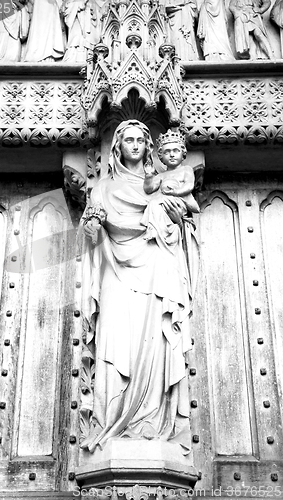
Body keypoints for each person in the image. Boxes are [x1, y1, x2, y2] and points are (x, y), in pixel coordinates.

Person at [80, 120, 199, 454]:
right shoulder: (103, 187)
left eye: (139, 140)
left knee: (156, 344)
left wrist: (176, 219)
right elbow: (92, 235)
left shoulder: (163, 184)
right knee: (116, 345)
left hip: (156, 268)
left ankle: (153, 426)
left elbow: (182, 227)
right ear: (117, 146)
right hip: (115, 270)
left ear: (149, 147)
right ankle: (111, 424)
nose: (134, 145)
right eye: (127, 140)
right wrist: (93, 226)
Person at [142, 129, 200, 243]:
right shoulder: (162, 176)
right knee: (154, 204)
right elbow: (149, 189)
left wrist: (175, 192)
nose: (172, 155)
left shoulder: (186, 170)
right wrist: (149, 176)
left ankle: (161, 229)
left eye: (176, 151)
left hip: (180, 201)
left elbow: (189, 185)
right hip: (164, 202)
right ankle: (158, 229)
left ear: (183, 153)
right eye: (167, 152)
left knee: (155, 204)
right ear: (161, 156)